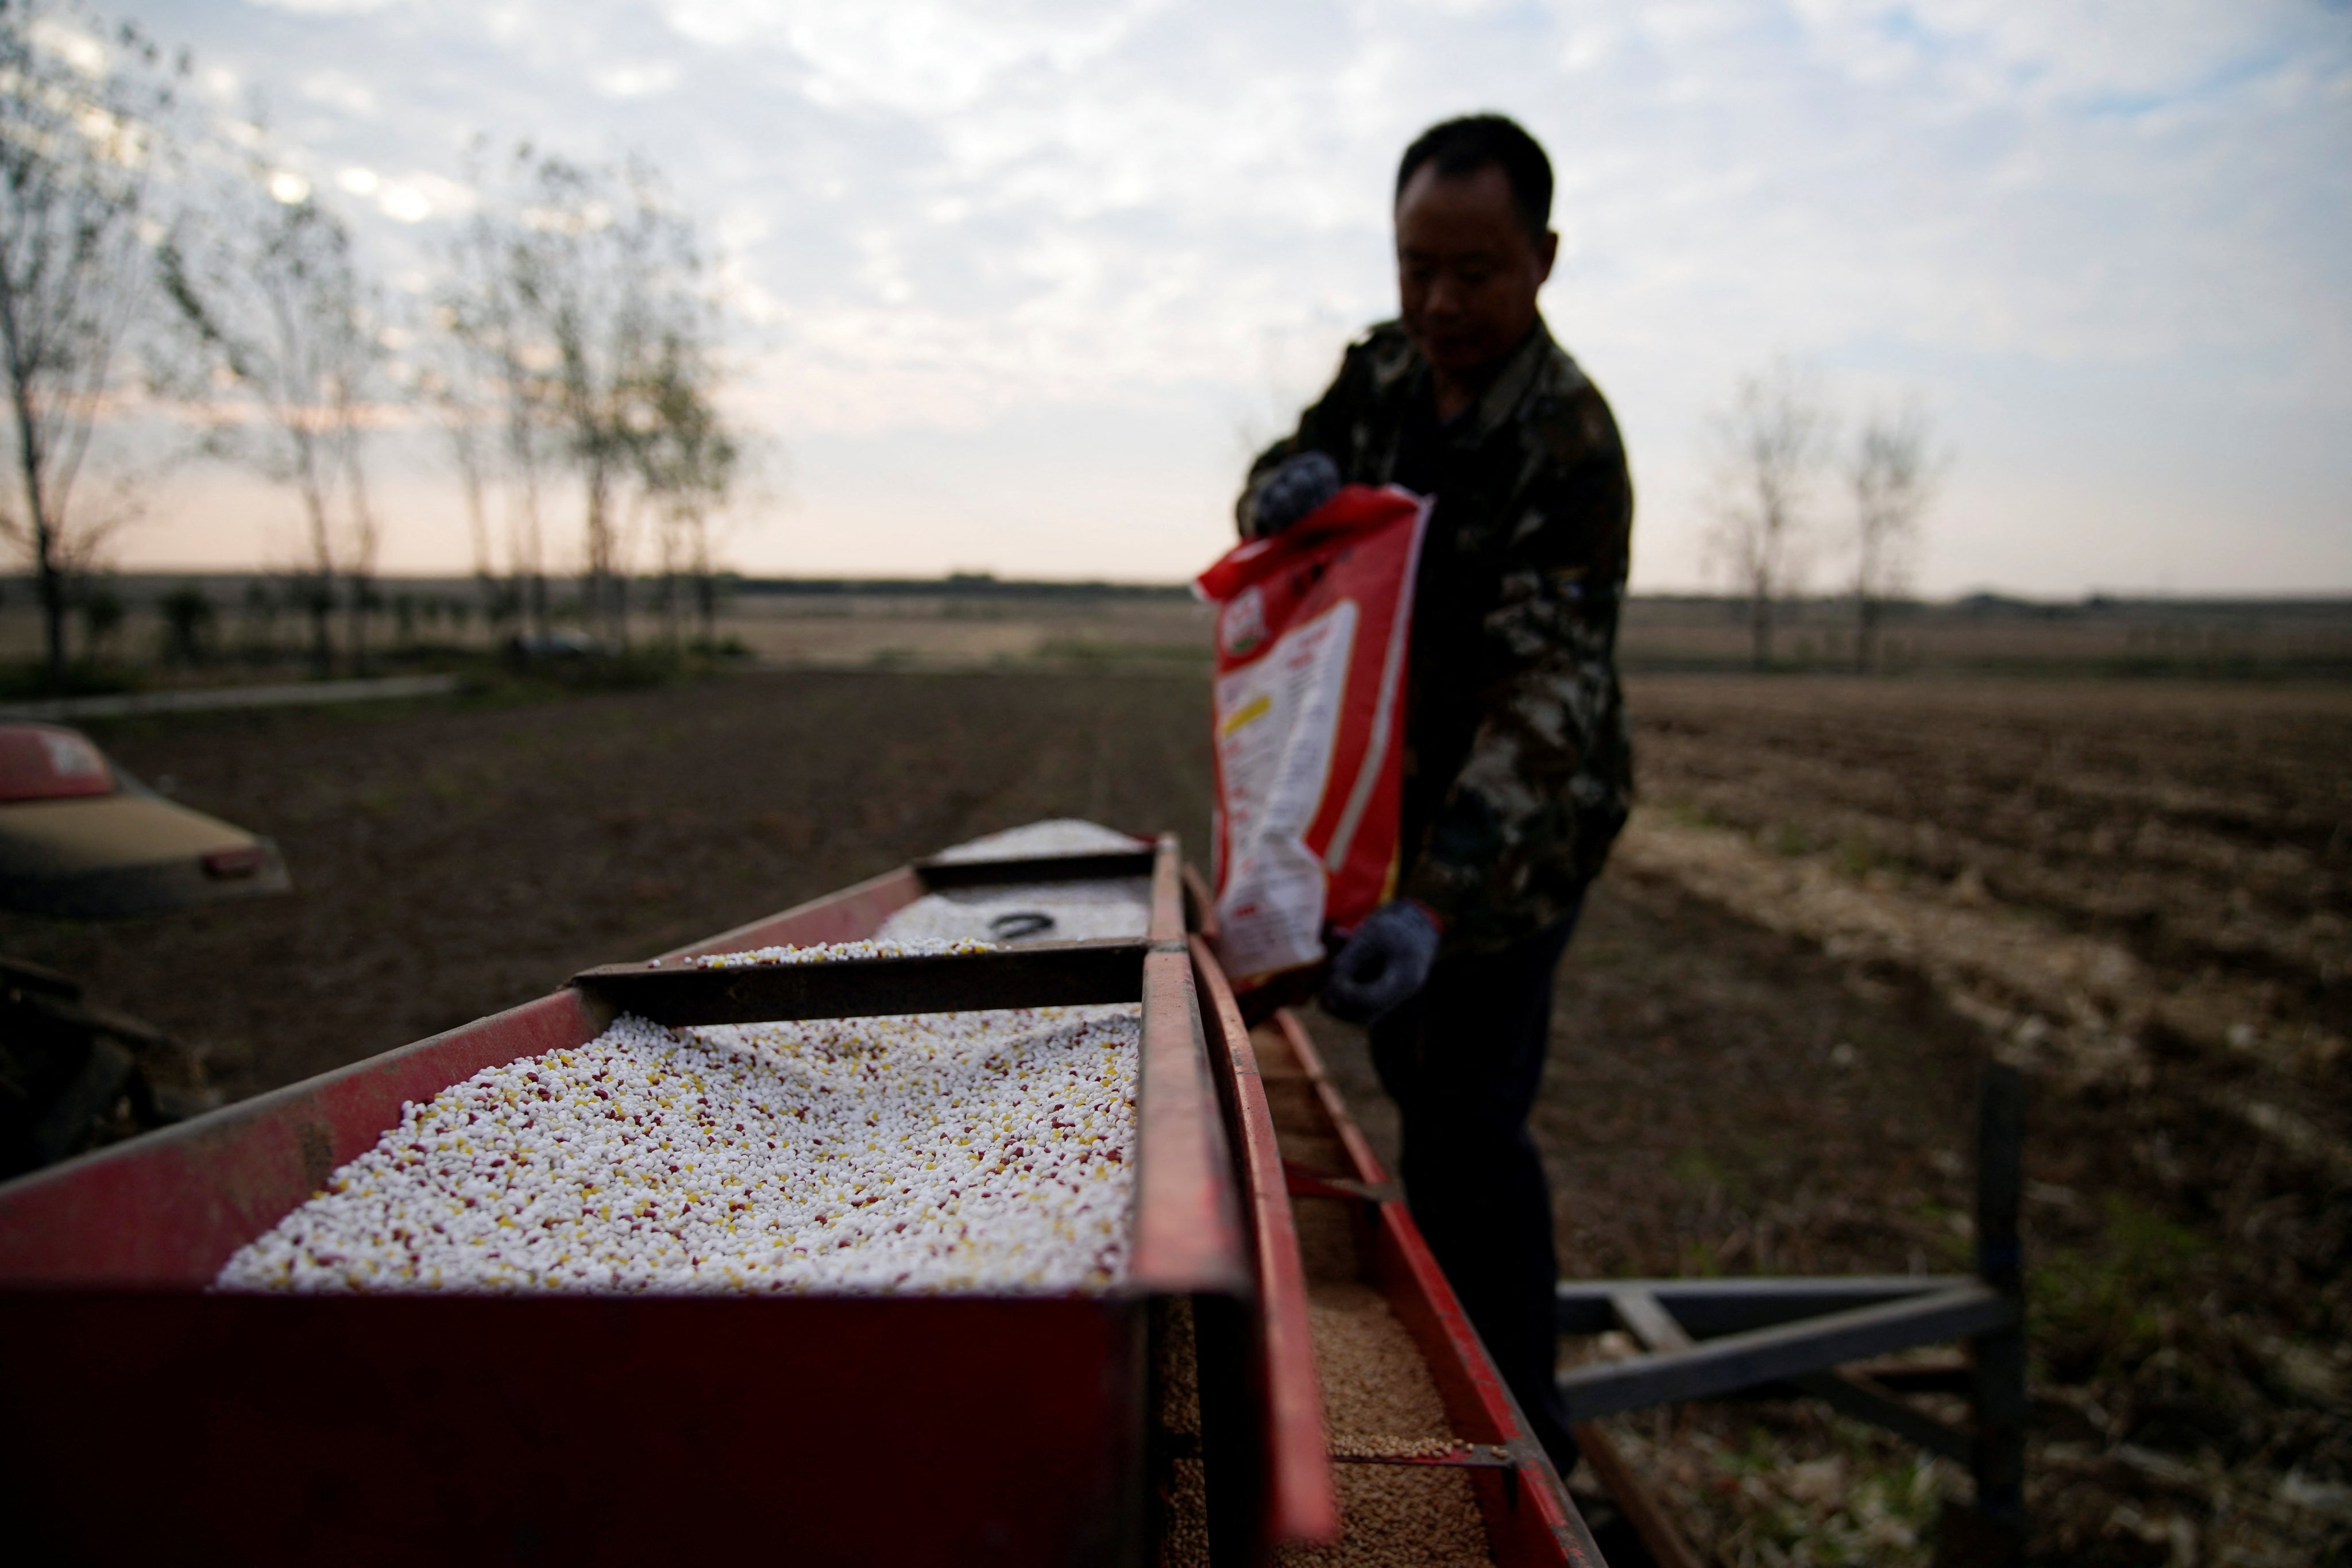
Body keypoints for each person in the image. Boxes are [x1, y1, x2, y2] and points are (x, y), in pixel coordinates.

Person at [1234, 113, 1633, 1473]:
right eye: (1416, 269)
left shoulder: (1570, 446)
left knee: (1468, 1118)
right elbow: (1278, 498)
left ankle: (1529, 1432)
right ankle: (1449, 1351)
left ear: (1542, 261)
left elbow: (1545, 707)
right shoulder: (1383, 375)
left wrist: (1434, 906)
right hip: (1385, 804)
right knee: (1413, 1078)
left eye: (1474, 273)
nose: (1439, 304)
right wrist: (1271, 497)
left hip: (1507, 846)